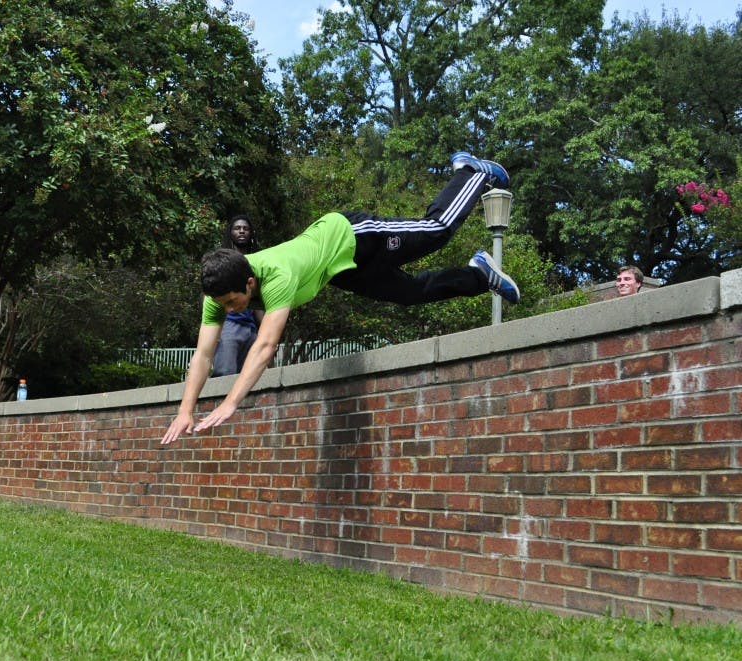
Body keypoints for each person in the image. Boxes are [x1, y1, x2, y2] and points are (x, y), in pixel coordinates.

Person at [160, 152, 519, 445]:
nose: (229, 309)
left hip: (351, 235)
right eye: (223, 305)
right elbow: (203, 354)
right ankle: (478, 275)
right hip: (340, 270)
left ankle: (471, 172)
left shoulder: (277, 276)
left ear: (250, 282)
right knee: (410, 294)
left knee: (436, 231)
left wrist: (231, 402)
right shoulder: (218, 291)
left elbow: (265, 345)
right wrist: (185, 410)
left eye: (233, 302)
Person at [211, 215, 262, 377]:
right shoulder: (223, 259)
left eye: (245, 228)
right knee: (225, 374)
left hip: (251, 329)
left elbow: (259, 301)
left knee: (249, 378)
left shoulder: (257, 262)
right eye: (237, 228)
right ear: (230, 232)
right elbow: (208, 293)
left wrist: (264, 331)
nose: (241, 231)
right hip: (229, 325)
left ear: (251, 233)